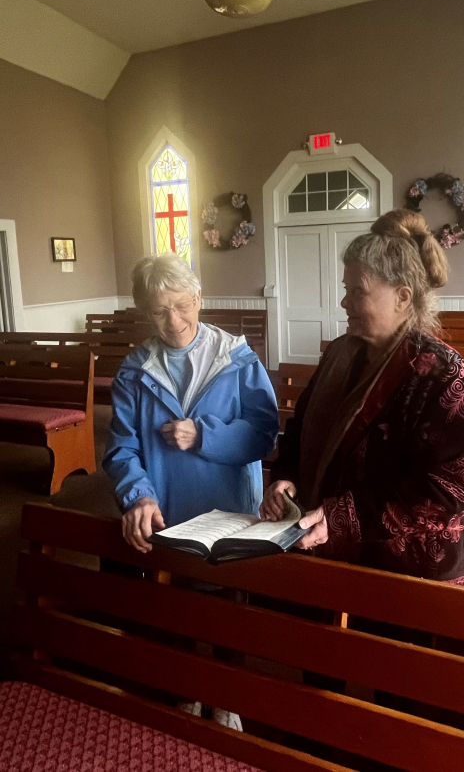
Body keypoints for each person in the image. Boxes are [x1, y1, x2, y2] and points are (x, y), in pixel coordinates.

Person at [103, 252, 279, 729]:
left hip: (230, 511)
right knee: (175, 608)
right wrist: (137, 495)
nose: (174, 321)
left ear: (199, 297)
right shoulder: (135, 371)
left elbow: (263, 434)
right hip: (168, 512)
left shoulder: (236, 358)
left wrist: (204, 435)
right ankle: (185, 694)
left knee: (228, 609)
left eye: (182, 305)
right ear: (144, 311)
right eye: (159, 311)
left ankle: (227, 699)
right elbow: (120, 448)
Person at [263, 209, 464, 582]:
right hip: (320, 536)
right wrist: (285, 476)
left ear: (402, 297)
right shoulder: (339, 354)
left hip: (404, 563)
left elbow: (443, 497)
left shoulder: (445, 375)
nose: (345, 303)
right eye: (346, 291)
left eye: (357, 292)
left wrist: (341, 517)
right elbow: (301, 430)